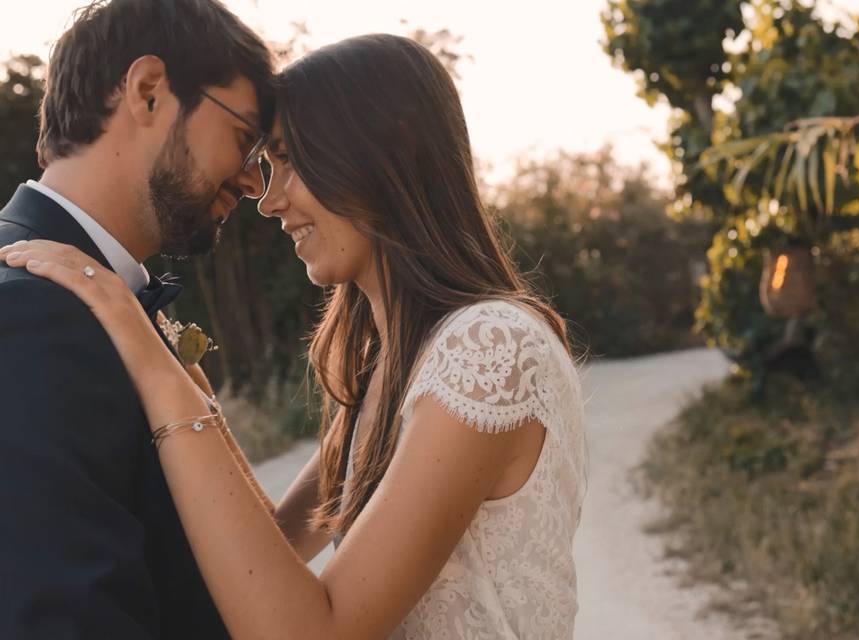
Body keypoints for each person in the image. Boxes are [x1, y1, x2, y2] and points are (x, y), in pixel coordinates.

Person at [1, 34, 588, 639]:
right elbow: (268, 559)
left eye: (288, 162)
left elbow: (313, 630)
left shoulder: (489, 348)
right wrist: (192, 397)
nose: (269, 199)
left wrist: (143, 344)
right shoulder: (389, 364)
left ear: (373, 157)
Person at [0, 1, 274, 637]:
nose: (255, 182)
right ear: (149, 92)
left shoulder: (86, 297)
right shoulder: (30, 313)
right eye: (244, 140)